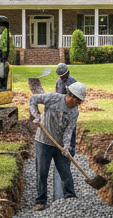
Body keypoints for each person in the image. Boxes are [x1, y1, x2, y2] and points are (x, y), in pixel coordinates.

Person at [28, 82, 86, 211]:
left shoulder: (74, 112)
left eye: (78, 102)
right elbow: (33, 99)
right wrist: (36, 115)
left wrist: (66, 146)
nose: (75, 103)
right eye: (75, 99)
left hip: (60, 145)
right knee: (42, 172)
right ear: (69, 95)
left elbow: (69, 131)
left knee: (65, 172)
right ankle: (41, 201)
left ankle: (70, 198)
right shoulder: (53, 98)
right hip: (43, 141)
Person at [54, 62, 77, 154]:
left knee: (72, 128)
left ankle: (72, 148)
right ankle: (62, 148)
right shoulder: (58, 82)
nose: (62, 79)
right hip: (62, 109)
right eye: (61, 77)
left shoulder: (73, 82)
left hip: (72, 110)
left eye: (64, 76)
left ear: (68, 73)